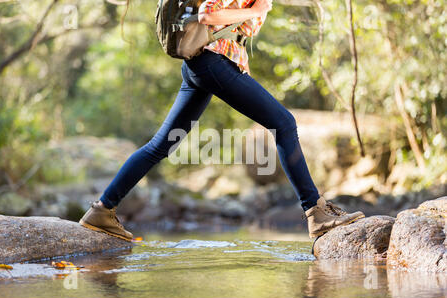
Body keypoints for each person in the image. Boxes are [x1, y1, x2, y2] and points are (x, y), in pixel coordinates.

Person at [79, 0, 365, 241]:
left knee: (159, 146)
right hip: (213, 62)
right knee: (285, 123)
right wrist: (254, 11)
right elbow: (208, 14)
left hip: (202, 65)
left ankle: (101, 211)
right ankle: (316, 213)